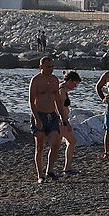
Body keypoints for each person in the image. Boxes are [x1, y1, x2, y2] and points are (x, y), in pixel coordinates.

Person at [29, 56, 68, 184]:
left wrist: (63, 117)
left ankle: (50, 170)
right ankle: (40, 175)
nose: (51, 69)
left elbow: (57, 99)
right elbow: (31, 101)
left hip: (51, 115)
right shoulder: (35, 80)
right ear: (41, 67)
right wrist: (36, 118)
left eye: (52, 66)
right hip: (39, 114)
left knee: (56, 142)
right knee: (39, 146)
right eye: (48, 66)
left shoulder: (54, 80)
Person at [54, 71, 83, 177]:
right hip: (60, 121)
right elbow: (59, 107)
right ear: (70, 81)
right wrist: (65, 122)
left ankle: (67, 167)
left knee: (69, 142)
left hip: (61, 120)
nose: (75, 86)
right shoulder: (61, 90)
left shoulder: (62, 88)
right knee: (69, 142)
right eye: (75, 83)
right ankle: (63, 168)